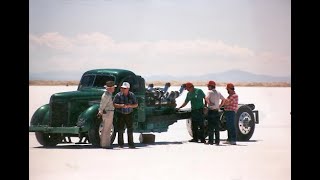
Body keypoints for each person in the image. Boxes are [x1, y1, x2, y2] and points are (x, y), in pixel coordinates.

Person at [113, 82, 139, 148]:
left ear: (128, 88)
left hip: (129, 114)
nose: (122, 89)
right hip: (120, 114)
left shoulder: (132, 95)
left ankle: (131, 144)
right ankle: (120, 144)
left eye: (124, 88)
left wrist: (130, 106)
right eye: (122, 88)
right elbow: (114, 104)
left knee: (130, 129)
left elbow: (136, 104)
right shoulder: (118, 95)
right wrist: (121, 106)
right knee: (120, 129)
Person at [97, 81, 117, 149]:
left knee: (107, 129)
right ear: (110, 88)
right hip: (108, 112)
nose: (114, 89)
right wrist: (100, 111)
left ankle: (106, 143)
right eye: (113, 87)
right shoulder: (106, 95)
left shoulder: (109, 94)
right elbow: (103, 104)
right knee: (106, 129)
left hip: (109, 112)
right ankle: (105, 144)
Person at [205, 80, 225, 145]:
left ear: (211, 86)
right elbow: (224, 100)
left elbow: (206, 98)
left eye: (208, 85)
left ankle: (211, 141)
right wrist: (220, 106)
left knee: (210, 127)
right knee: (216, 127)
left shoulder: (209, 92)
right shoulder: (218, 93)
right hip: (217, 111)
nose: (208, 87)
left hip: (211, 111)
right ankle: (217, 141)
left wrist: (209, 103)